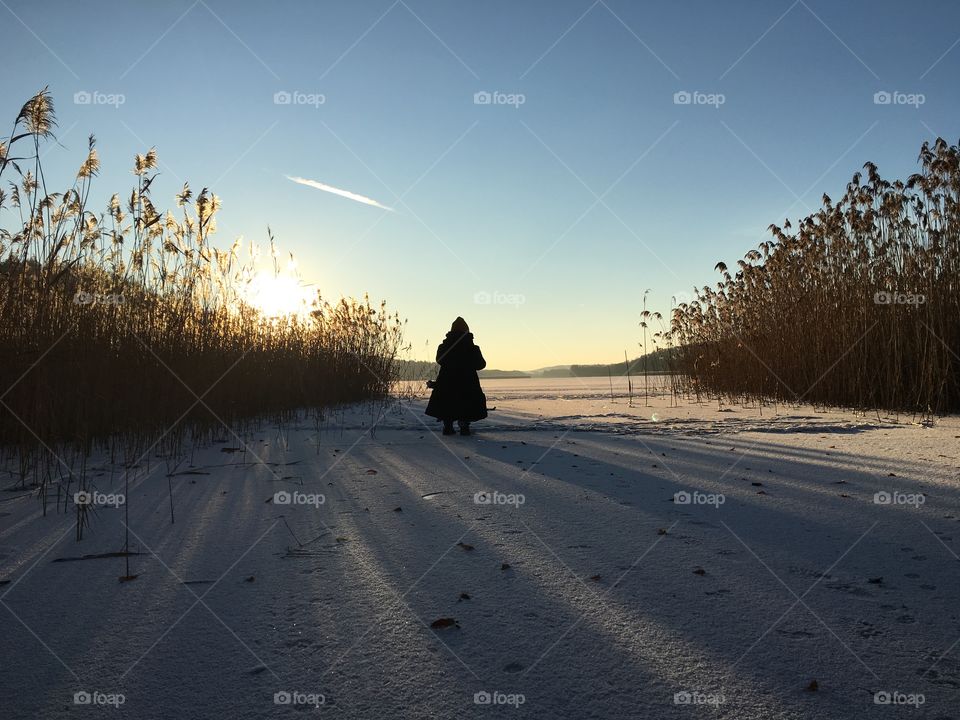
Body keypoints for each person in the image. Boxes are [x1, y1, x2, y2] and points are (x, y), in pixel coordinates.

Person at [425, 317, 488, 435]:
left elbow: (439, 360)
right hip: (468, 381)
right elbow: (481, 364)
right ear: (467, 331)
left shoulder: (443, 346)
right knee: (467, 403)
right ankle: (464, 426)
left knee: (447, 402)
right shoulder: (473, 348)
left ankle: (447, 426)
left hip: (447, 380)